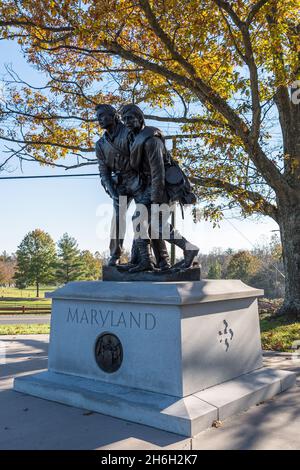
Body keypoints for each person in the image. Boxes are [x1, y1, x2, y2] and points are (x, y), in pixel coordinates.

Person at [120, 104, 199, 273]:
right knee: (156, 226)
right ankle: (171, 258)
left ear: (140, 118)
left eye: (130, 118)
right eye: (124, 119)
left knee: (140, 220)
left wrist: (156, 198)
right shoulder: (134, 138)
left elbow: (158, 171)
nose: (126, 122)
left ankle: (148, 261)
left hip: (160, 188)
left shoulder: (151, 140)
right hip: (150, 187)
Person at [95, 104, 170, 269]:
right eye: (97, 117)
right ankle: (115, 255)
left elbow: (147, 142)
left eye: (102, 116)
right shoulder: (100, 144)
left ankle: (160, 259)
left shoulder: (129, 131)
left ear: (114, 116)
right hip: (119, 185)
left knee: (147, 220)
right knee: (118, 219)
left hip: (139, 180)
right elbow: (103, 171)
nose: (99, 120)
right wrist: (111, 189)